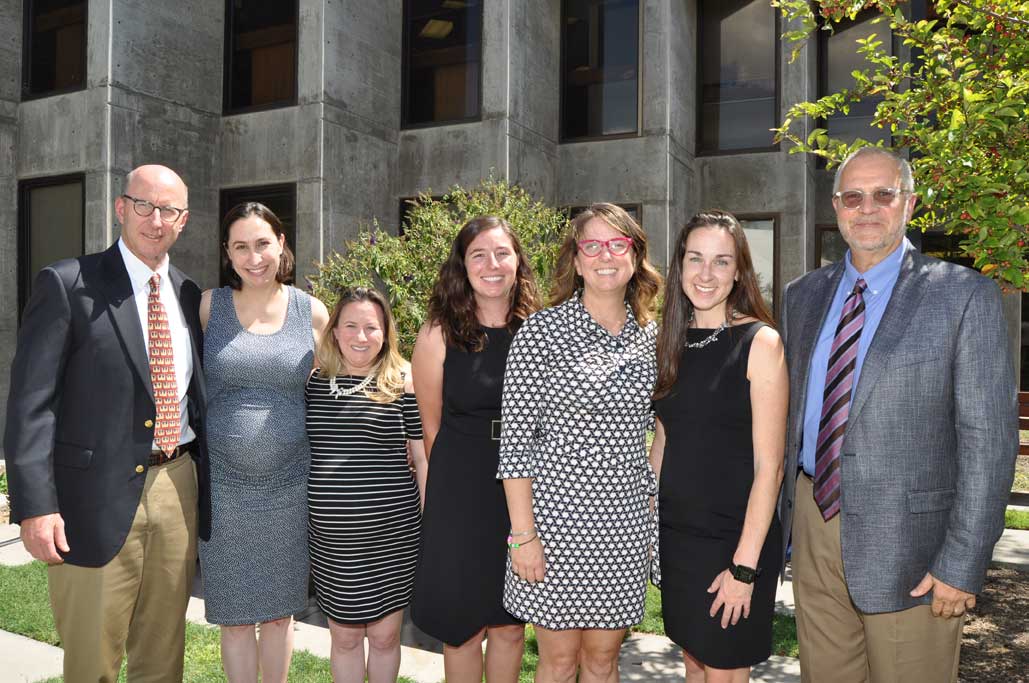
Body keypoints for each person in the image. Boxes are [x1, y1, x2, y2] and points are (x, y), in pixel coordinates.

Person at [778, 146, 1018, 682]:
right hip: (815, 527)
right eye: (853, 196)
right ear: (835, 206)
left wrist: (962, 561)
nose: (868, 208)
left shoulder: (963, 296)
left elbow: (988, 441)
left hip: (914, 547)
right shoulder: (802, 295)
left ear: (908, 204)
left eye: (883, 194)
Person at [4, 164, 209, 681]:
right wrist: (37, 506)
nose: (155, 220)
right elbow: (31, 404)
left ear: (183, 221)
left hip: (177, 486)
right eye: (144, 205)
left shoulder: (188, 294)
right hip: (89, 498)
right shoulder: (69, 284)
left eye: (169, 210)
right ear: (121, 208)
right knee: (93, 659)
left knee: (162, 658)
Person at [498, 203, 663, 683]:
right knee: (559, 663)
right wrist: (522, 535)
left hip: (623, 527)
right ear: (575, 259)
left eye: (617, 244)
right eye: (591, 245)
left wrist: (650, 486)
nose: (604, 255)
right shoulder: (539, 334)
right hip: (553, 527)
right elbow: (515, 445)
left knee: (602, 662)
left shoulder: (653, 338)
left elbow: (669, 423)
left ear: (635, 256)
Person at [650, 210, 788, 682]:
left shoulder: (760, 342)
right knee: (693, 658)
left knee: (724, 669)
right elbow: (667, 435)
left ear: (739, 271)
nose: (706, 274)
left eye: (721, 262)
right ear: (680, 265)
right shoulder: (670, 341)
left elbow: (770, 467)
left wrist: (744, 569)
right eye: (695, 259)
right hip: (679, 537)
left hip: (735, 541)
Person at [198, 202, 329, 683]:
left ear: (281, 244)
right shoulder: (209, 306)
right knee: (234, 620)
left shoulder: (311, 312)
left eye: (263, 244)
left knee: (278, 616)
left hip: (290, 490)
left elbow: (343, 385)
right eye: (241, 247)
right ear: (228, 254)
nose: (254, 257)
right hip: (224, 491)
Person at [410, 216, 540, 682]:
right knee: (462, 627)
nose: (491, 264)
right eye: (478, 255)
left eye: (502, 253)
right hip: (462, 492)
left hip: (524, 492)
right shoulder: (437, 334)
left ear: (518, 261)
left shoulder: (539, 331)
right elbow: (431, 430)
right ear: (461, 266)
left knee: (509, 624)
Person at [305, 286, 426, 683]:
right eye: (351, 326)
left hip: (392, 539)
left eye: (371, 328)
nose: (361, 336)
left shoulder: (404, 384)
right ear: (334, 331)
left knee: (386, 637)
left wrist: (433, 526)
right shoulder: (314, 385)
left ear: (386, 332)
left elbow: (421, 458)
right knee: (343, 638)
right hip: (331, 543)